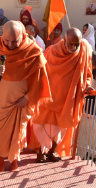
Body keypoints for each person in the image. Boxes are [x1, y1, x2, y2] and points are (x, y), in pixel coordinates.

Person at [0, 21, 50, 172]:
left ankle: (13, 161)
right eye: (7, 40)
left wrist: (28, 97)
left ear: (23, 35)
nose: (10, 45)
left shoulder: (32, 50)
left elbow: (40, 79)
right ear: (2, 36)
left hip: (21, 102)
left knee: (18, 132)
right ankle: (0, 161)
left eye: (15, 41)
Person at [33, 28, 92, 163]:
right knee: (41, 125)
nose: (74, 47)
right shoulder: (52, 51)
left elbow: (88, 73)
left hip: (68, 99)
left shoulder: (84, 51)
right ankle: (41, 151)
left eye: (76, 44)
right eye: (70, 44)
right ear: (64, 40)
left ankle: (52, 151)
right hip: (49, 98)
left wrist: (87, 84)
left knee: (62, 127)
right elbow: (42, 72)